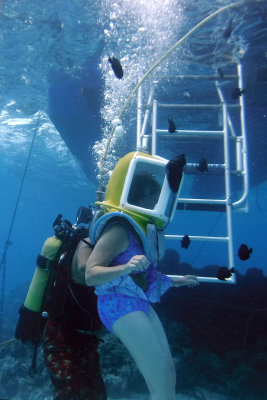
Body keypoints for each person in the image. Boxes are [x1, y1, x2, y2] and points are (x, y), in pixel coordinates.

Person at [83, 151, 199, 400]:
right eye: (151, 195)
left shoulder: (138, 230)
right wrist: (125, 268)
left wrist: (177, 281)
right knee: (158, 377)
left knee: (168, 372)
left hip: (136, 300)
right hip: (117, 305)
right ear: (135, 195)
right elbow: (91, 274)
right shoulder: (118, 229)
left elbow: (145, 271)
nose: (157, 200)